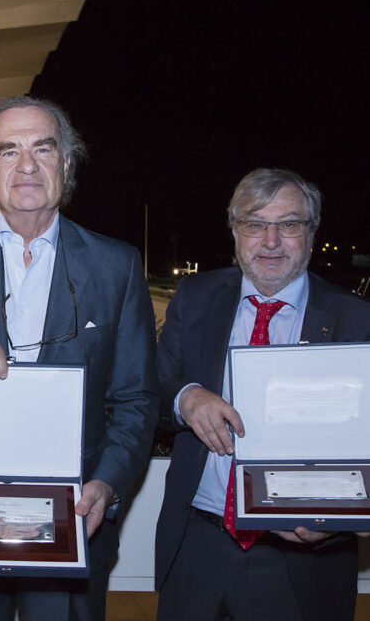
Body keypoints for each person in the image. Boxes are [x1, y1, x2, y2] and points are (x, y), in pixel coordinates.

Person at [0, 95, 159, 621]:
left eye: (43, 148)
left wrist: (107, 483)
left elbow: (136, 398)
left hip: (74, 515)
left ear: (67, 163)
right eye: (8, 150)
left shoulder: (116, 265)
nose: (27, 165)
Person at [154, 168, 370, 621]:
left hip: (304, 560)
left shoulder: (356, 320)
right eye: (255, 224)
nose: (271, 241)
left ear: (311, 233)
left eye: (289, 224)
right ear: (235, 232)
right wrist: (186, 398)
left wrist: (333, 519)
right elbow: (151, 387)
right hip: (197, 547)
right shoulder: (194, 296)